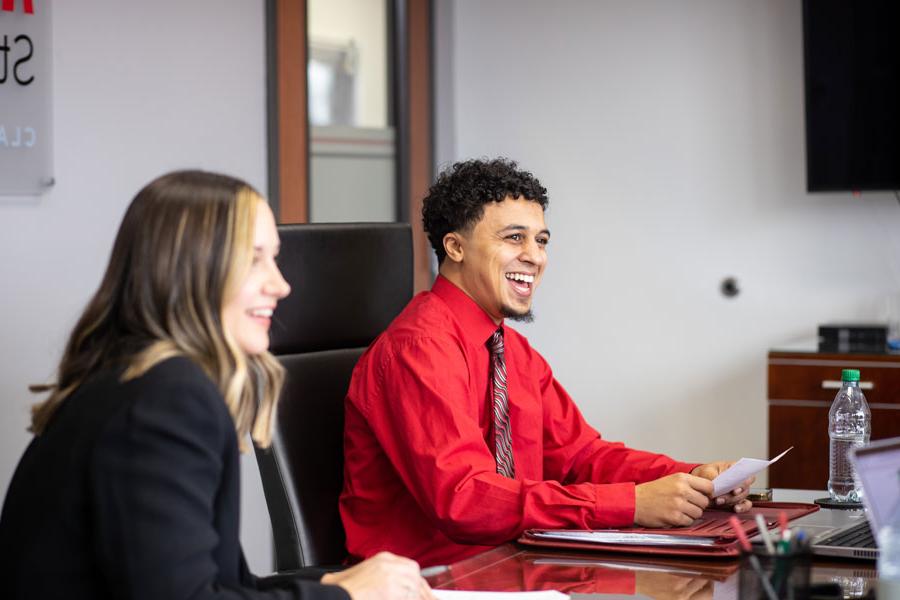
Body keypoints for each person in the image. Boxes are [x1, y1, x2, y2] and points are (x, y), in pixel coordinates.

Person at [0, 171, 434, 600]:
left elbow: (216, 585)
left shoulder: (132, 380)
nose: (281, 285)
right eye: (253, 259)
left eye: (275, 258)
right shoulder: (168, 399)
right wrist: (346, 598)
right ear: (189, 269)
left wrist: (333, 584)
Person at [340, 158, 754, 567]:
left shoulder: (511, 350)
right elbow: (465, 499)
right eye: (514, 238)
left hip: (519, 565)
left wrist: (692, 478)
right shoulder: (418, 349)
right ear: (455, 247)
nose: (535, 257)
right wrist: (631, 504)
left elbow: (581, 458)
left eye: (541, 241)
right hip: (430, 582)